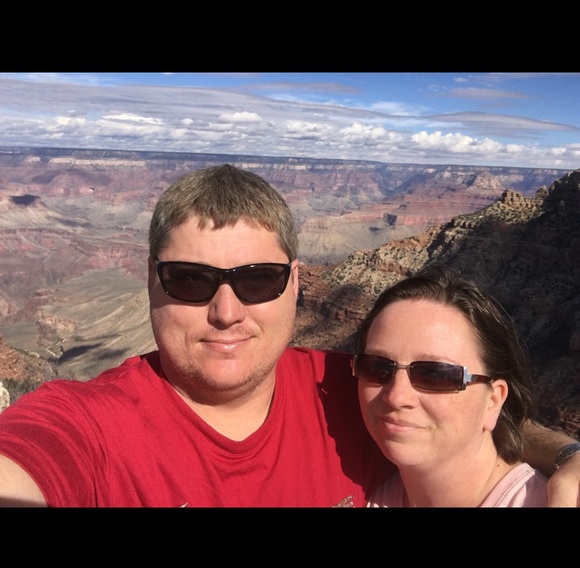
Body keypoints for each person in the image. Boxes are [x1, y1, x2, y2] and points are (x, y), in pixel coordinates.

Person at [0, 164, 578, 507]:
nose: (226, 312)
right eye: (190, 279)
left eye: (258, 279)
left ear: (296, 283)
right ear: (151, 280)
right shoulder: (87, 424)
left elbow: (459, 409)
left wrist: (568, 456)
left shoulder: (351, 385)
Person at [353, 266, 549, 506]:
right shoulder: (366, 493)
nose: (396, 396)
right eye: (377, 367)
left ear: (493, 400)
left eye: (435, 375)